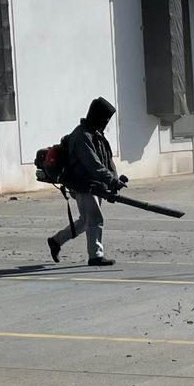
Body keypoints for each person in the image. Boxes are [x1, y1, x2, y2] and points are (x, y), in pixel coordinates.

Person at [47, 96, 127, 267]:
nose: (106, 123)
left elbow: (107, 161)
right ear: (97, 116)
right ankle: (96, 256)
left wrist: (112, 183)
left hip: (95, 186)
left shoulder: (95, 134)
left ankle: (56, 241)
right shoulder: (83, 136)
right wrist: (111, 181)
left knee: (86, 221)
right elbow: (93, 165)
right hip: (84, 186)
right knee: (95, 219)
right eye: (105, 119)